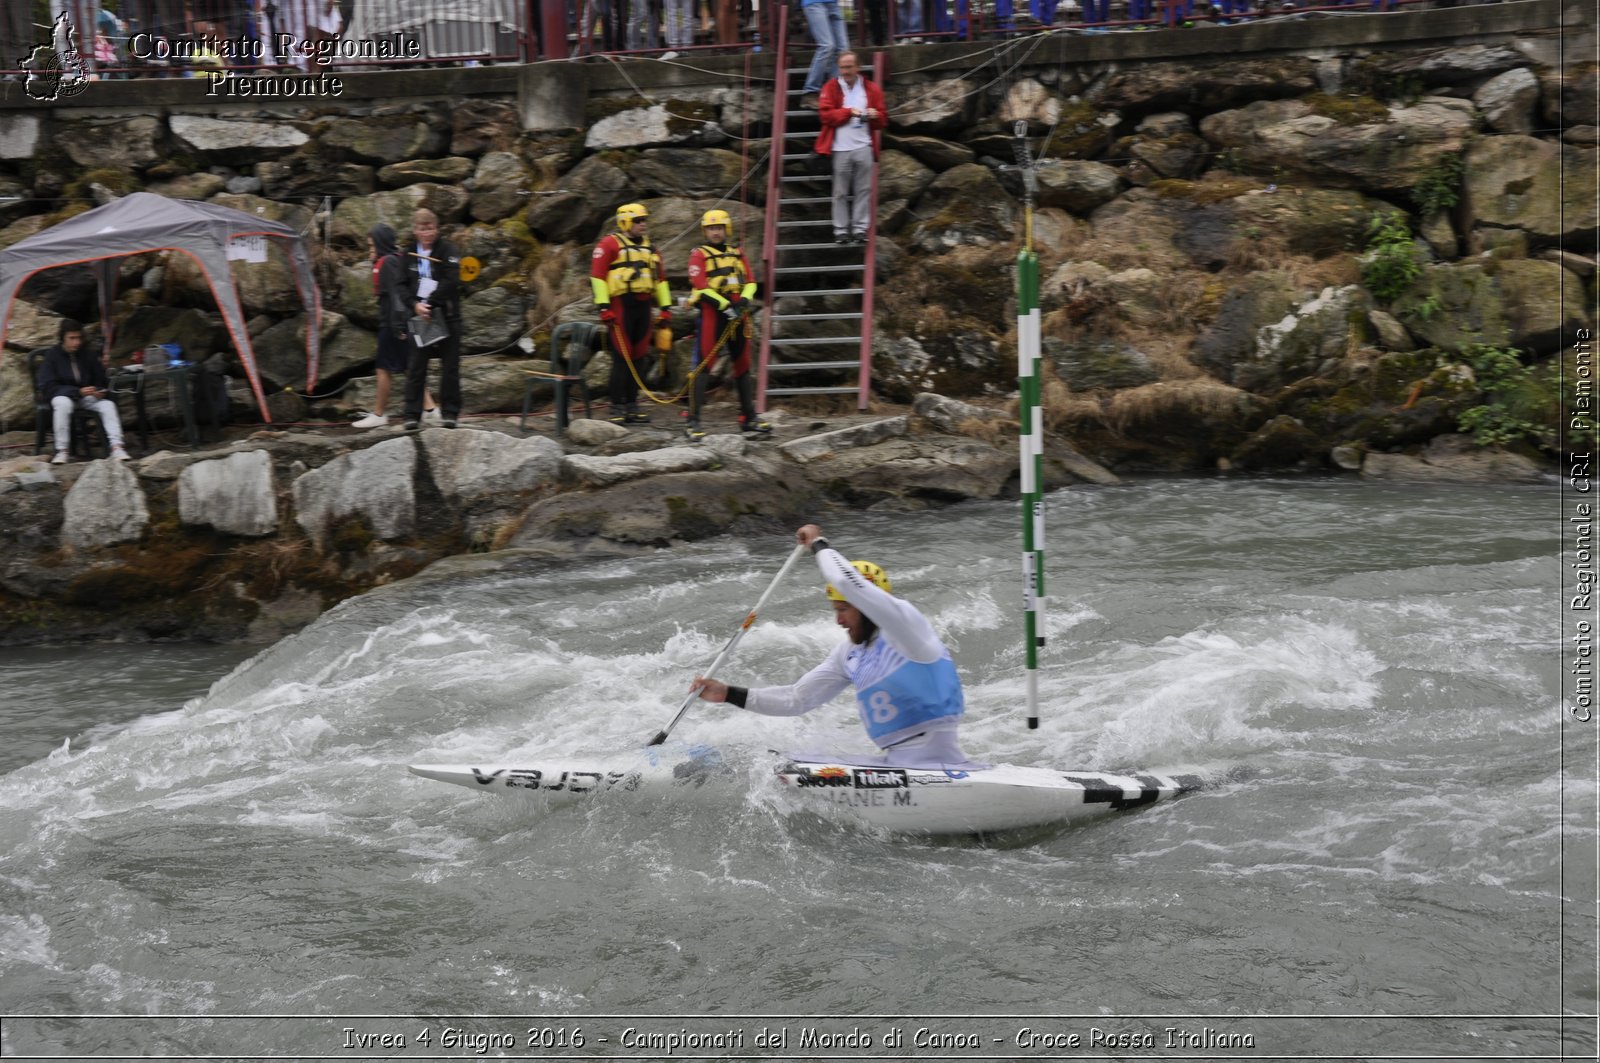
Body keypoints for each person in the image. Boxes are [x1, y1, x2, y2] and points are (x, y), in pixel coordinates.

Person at [689, 524, 974, 769]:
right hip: (895, 763)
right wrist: (728, 694)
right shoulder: (849, 654)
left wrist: (817, 542)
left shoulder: (907, 629)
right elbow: (797, 699)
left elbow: (845, 581)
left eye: (844, 609)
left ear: (867, 605)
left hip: (943, 764)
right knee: (764, 764)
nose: (838, 621)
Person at [684, 209, 769, 440]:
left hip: (739, 313)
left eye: (719, 228)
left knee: (742, 365)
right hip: (715, 314)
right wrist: (725, 305)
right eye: (711, 228)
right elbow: (700, 286)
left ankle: (748, 417)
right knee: (703, 366)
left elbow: (750, 281)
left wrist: (743, 301)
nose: (716, 232)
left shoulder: (737, 252)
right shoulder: (698, 255)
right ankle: (692, 421)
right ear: (705, 231)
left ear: (726, 229)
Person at [590, 202, 671, 425]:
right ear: (625, 222)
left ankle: (633, 406)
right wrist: (604, 307)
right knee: (621, 358)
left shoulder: (651, 249)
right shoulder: (609, 244)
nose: (643, 224)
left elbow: (660, 281)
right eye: (638, 221)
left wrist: (665, 308)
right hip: (620, 306)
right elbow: (597, 277)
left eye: (644, 220)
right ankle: (616, 406)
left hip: (644, 307)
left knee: (639, 358)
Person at [352, 223, 438, 429]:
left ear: (381, 243)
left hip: (393, 324)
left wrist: (398, 327)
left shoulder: (389, 262)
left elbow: (396, 296)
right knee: (409, 368)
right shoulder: (396, 260)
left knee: (383, 369)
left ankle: (380, 414)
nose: (370, 250)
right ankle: (431, 410)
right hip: (400, 322)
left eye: (372, 245)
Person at [400, 209, 463, 431]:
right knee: (416, 366)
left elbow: (451, 279)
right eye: (422, 228)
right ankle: (411, 414)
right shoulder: (408, 254)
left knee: (450, 367)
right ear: (415, 230)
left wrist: (432, 303)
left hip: (447, 315)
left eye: (430, 228)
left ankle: (450, 413)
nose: (426, 233)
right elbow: (401, 285)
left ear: (437, 229)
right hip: (419, 317)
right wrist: (415, 306)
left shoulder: (448, 250)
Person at [816, 51, 886, 245]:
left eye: (848, 67)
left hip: (864, 146)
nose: (845, 71)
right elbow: (825, 115)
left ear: (858, 68)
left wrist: (875, 115)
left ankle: (860, 229)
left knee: (864, 190)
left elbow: (882, 119)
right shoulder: (831, 87)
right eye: (842, 67)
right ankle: (840, 230)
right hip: (840, 148)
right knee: (840, 192)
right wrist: (848, 113)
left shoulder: (871, 89)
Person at [36, 318, 130, 463]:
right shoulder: (52, 357)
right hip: (64, 397)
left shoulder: (88, 355)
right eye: (72, 338)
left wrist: (99, 390)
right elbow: (48, 387)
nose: (76, 342)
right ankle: (62, 450)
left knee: (107, 405)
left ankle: (117, 447)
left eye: (79, 338)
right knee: (62, 404)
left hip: (86, 397)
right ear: (63, 338)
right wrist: (77, 392)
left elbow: (101, 380)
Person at [797, 0, 848, 107]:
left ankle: (832, 91)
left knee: (843, 49)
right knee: (827, 46)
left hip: (833, 3)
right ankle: (810, 92)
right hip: (814, 2)